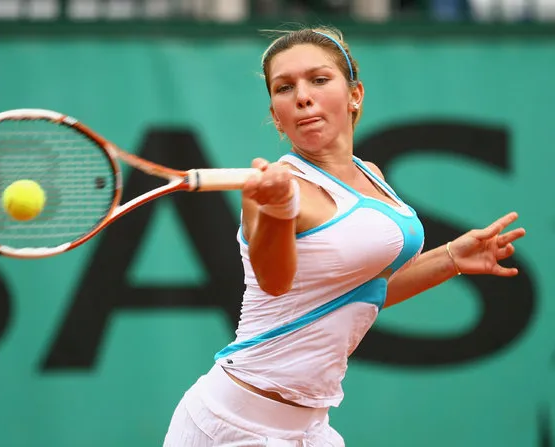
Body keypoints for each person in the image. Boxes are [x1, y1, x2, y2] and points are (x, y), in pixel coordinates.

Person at [163, 25, 526, 447]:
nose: (302, 95)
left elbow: (364, 294)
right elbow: (275, 283)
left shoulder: (370, 175)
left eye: (318, 79)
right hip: (232, 425)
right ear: (277, 115)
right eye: (285, 87)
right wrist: (279, 209)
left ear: (355, 95)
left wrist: (449, 259)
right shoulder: (273, 192)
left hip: (310, 428)